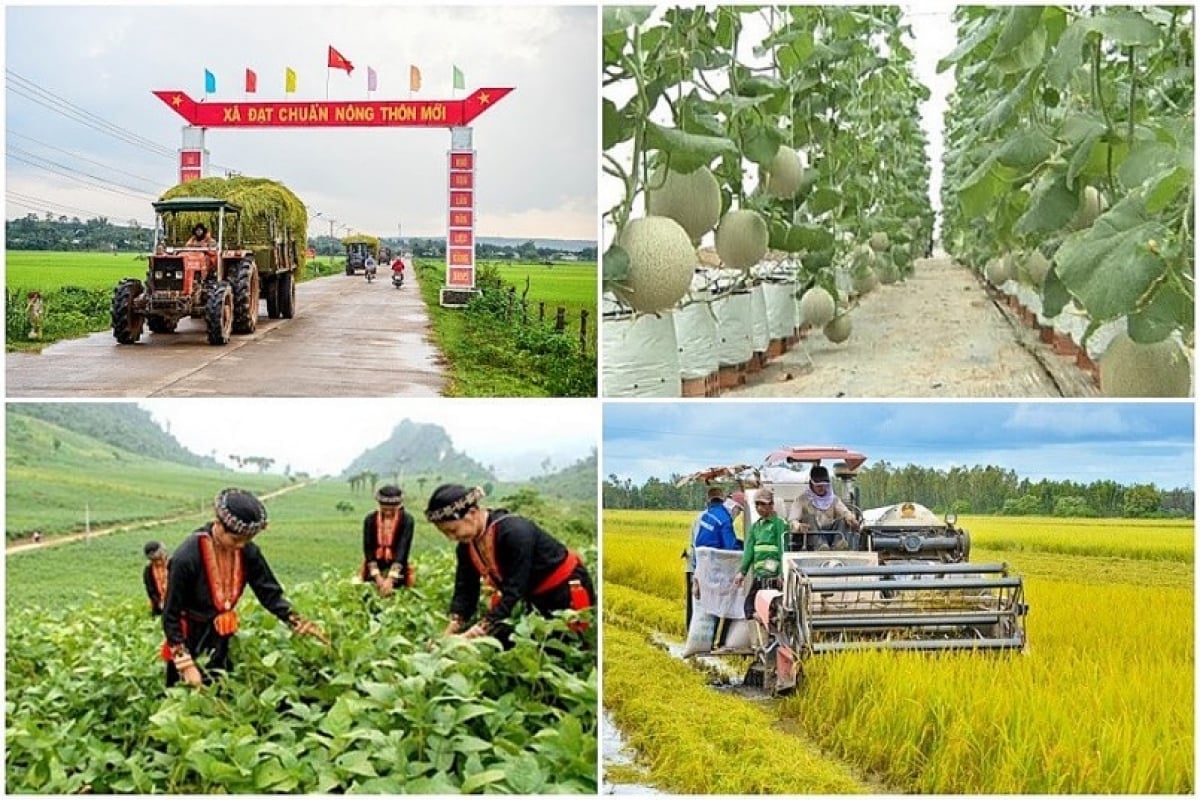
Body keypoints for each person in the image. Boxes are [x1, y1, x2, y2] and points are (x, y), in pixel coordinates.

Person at [161, 488, 328, 688]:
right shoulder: (186, 557)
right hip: (188, 635)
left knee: (218, 685)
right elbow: (170, 614)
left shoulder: (248, 552)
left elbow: (269, 593)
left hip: (221, 634)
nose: (241, 545)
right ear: (218, 524)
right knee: (184, 692)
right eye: (235, 539)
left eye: (247, 540)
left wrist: (295, 619)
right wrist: (185, 662)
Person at [425, 484, 594, 645]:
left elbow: (514, 590)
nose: (451, 538)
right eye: (445, 533)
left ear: (472, 513)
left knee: (570, 647)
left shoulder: (514, 532)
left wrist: (474, 633)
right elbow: (466, 590)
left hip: (564, 590)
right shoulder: (466, 546)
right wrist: (448, 632)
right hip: (534, 596)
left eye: (453, 530)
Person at [684, 487, 744, 628]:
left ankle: (694, 634)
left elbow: (699, 542)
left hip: (700, 568)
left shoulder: (708, 514)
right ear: (734, 508)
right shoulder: (725, 521)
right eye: (739, 511)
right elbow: (730, 546)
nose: (738, 515)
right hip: (712, 571)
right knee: (716, 607)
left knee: (699, 609)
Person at [734, 489, 788, 619]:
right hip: (759, 574)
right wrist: (742, 572)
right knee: (749, 606)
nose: (759, 508)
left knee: (771, 602)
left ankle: (770, 617)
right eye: (757, 504)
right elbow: (749, 551)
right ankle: (764, 617)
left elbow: (783, 548)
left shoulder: (779, 524)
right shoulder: (755, 527)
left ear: (771, 505)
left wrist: (782, 573)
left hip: (773, 572)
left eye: (763, 504)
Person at [786, 465, 861, 550]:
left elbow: (845, 512)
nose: (822, 488)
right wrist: (799, 526)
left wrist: (851, 519)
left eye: (824, 485)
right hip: (809, 540)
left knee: (843, 519)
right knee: (809, 518)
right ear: (811, 483)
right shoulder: (801, 500)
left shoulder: (833, 499)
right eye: (818, 486)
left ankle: (838, 545)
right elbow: (792, 521)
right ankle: (820, 546)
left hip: (830, 536)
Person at [361, 484, 415, 596]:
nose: (388, 513)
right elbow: (368, 548)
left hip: (398, 567)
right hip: (374, 566)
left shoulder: (407, 520)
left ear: (399, 506)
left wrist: (390, 579)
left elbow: (403, 549)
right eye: (385, 509)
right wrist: (377, 577)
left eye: (392, 510)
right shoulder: (370, 520)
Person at [143, 540, 171, 616]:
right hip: (159, 605)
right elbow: (151, 590)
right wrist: (159, 602)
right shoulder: (148, 570)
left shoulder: (172, 563)